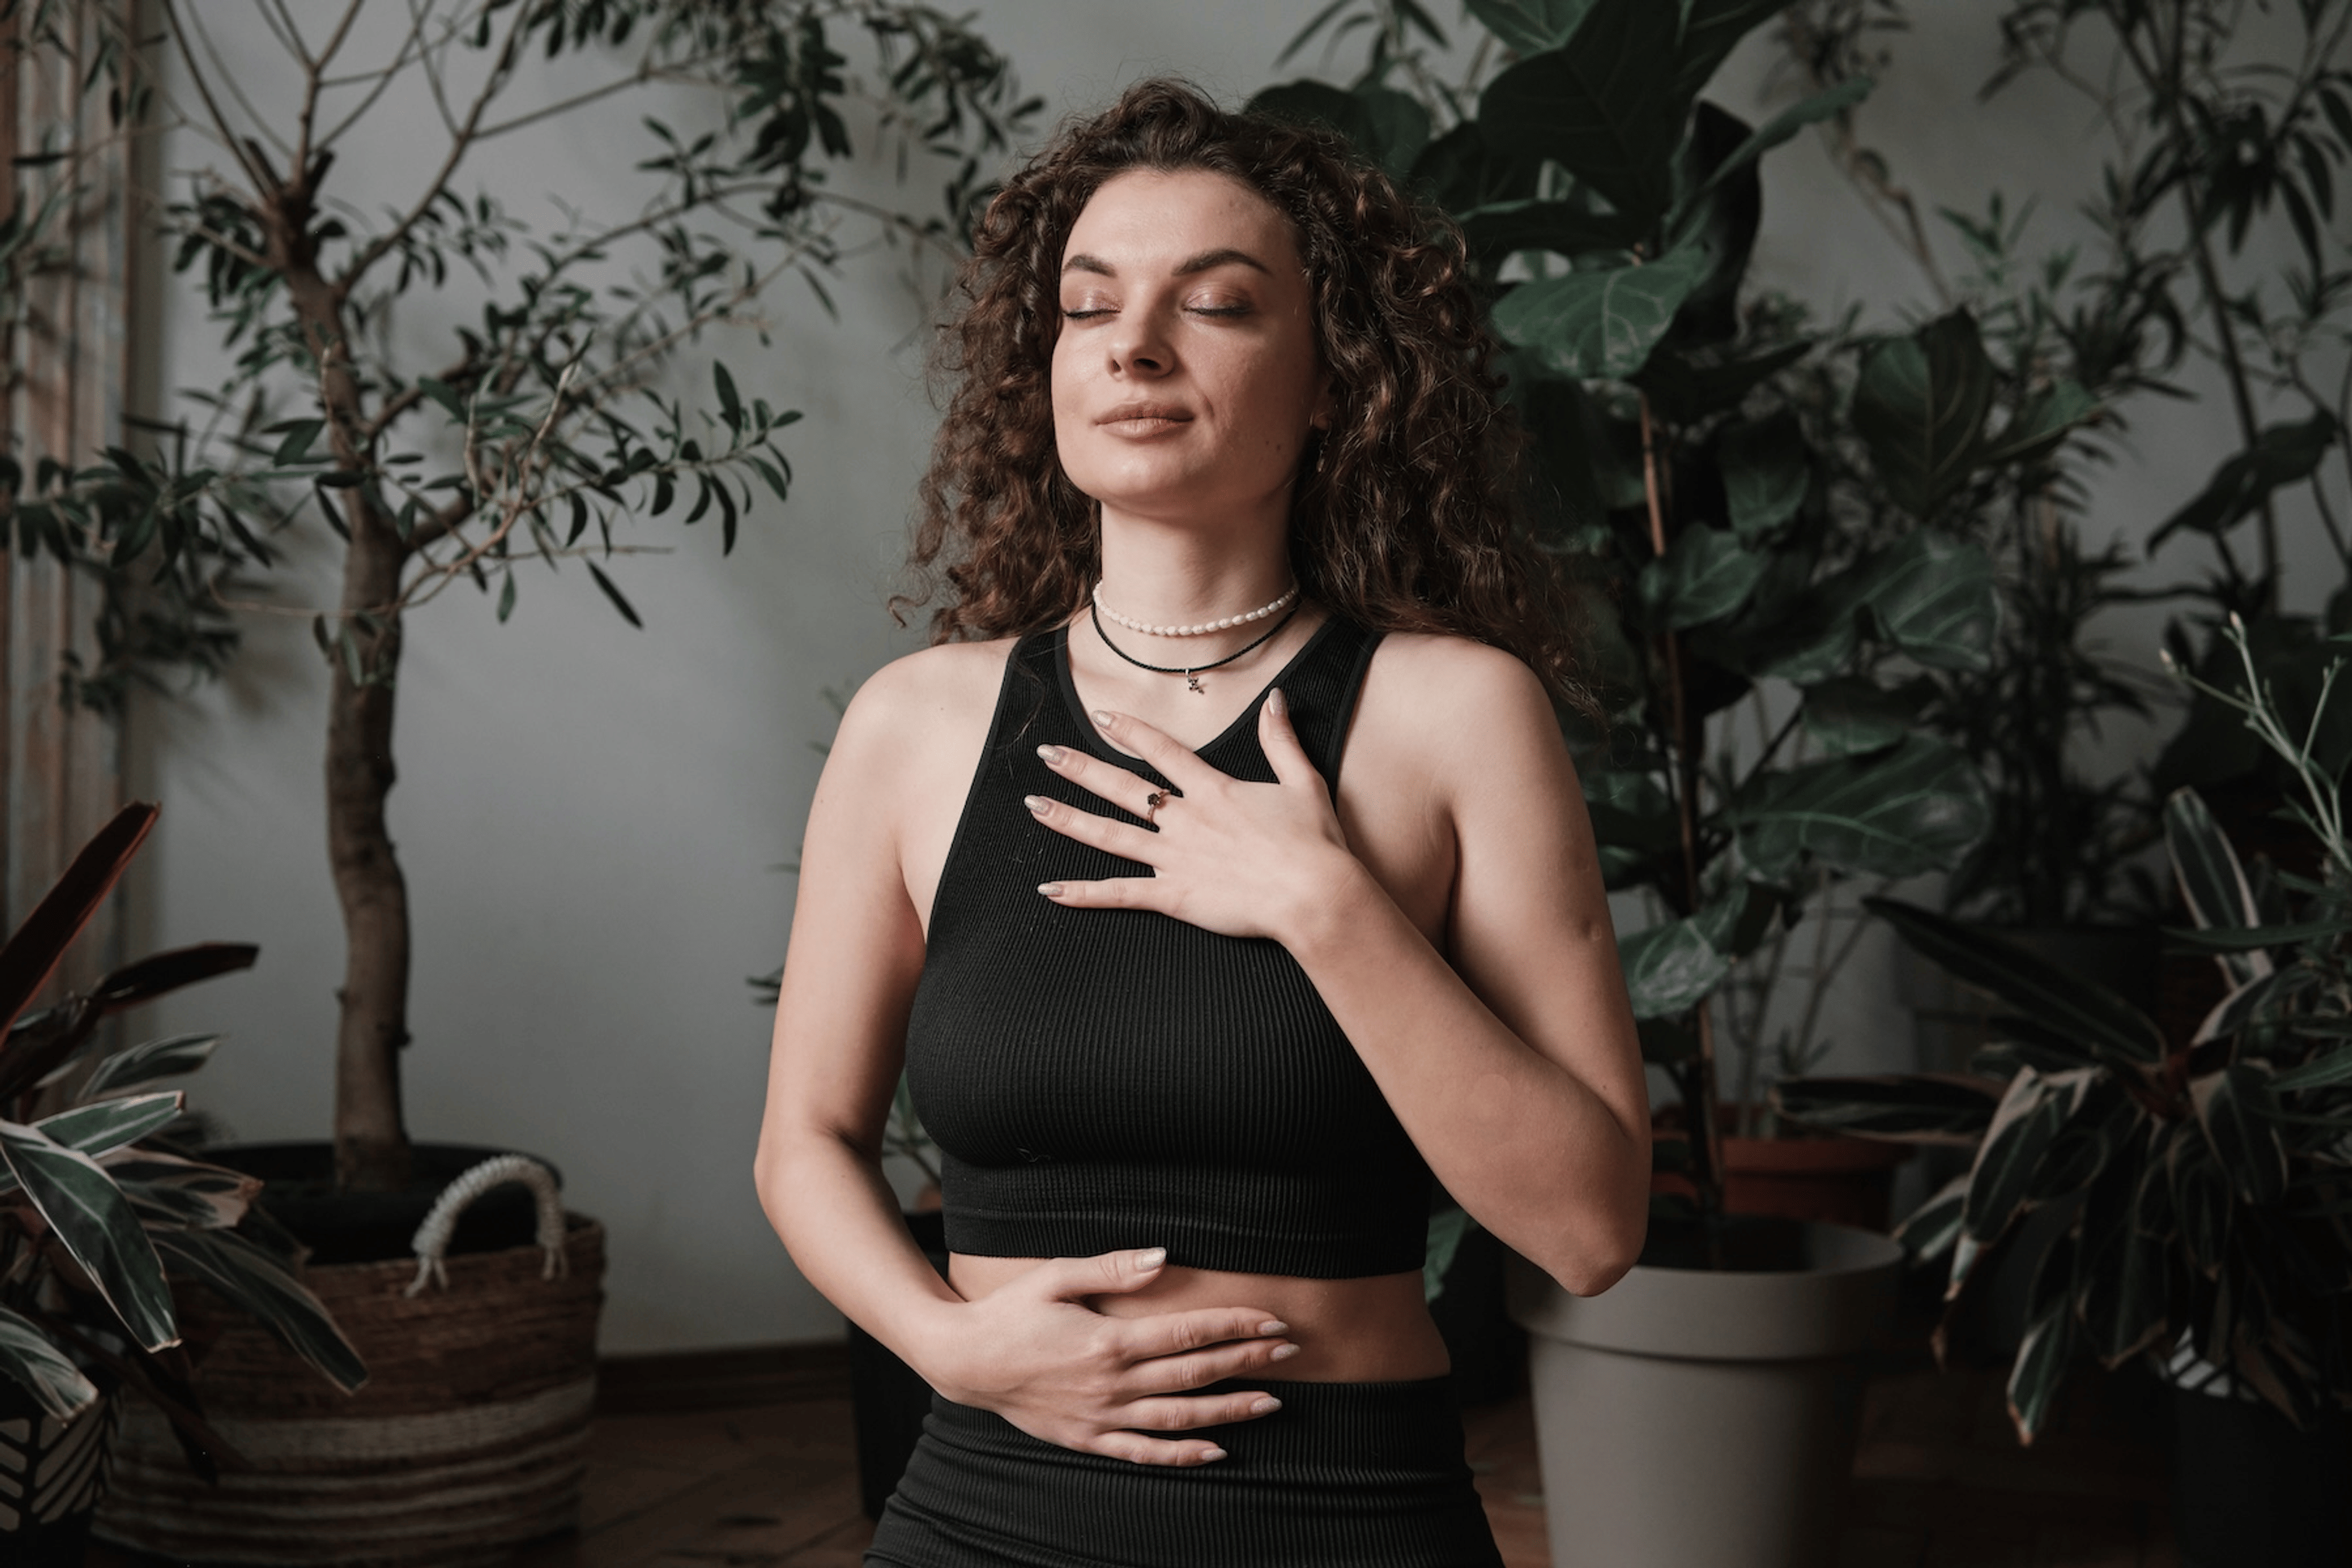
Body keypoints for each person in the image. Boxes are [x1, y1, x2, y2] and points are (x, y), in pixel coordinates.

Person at [755, 78, 1649, 1568]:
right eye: (1088, 305)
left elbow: (1590, 1228)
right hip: (985, 1504)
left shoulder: (1454, 715)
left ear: (1336, 377)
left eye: (1218, 303)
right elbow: (807, 1140)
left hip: (1341, 1516)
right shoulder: (917, 724)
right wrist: (946, 1342)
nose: (1134, 344)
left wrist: (1326, 906)